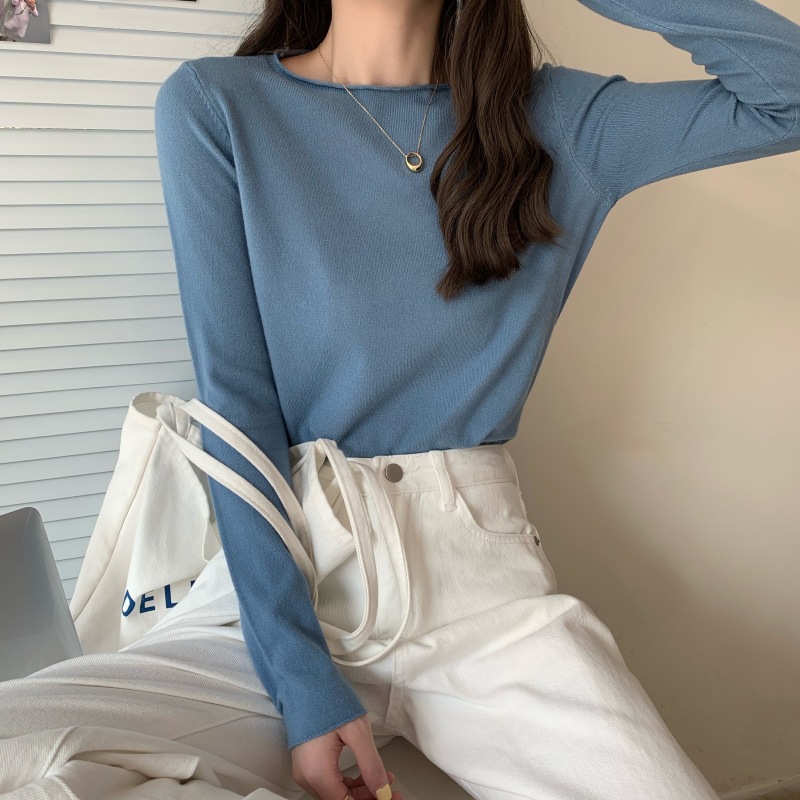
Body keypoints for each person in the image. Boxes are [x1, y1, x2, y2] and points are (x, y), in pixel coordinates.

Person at [1, 1, 799, 799]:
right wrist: (300, 676)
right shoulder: (217, 105)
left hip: (481, 596)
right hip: (284, 582)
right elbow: (236, 402)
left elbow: (787, 94)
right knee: (21, 745)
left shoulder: (559, 119)